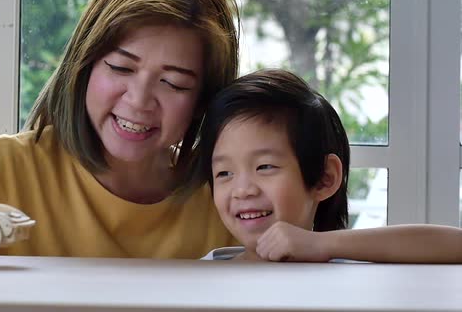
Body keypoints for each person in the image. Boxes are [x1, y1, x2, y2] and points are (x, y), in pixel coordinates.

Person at [0, 0, 241, 258]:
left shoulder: (232, 199)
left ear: (202, 100)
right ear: (84, 66)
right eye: (120, 67)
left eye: (173, 83)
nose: (139, 100)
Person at [188, 69, 462, 262]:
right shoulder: (203, 277)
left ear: (324, 178)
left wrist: (323, 244)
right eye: (224, 173)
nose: (242, 190)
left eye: (265, 167)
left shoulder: (348, 266)